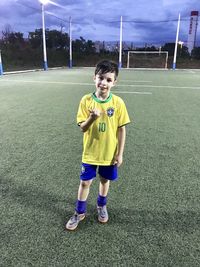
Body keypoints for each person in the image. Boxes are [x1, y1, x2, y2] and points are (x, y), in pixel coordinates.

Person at [66, 60, 130, 231]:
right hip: (90, 153)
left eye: (109, 80)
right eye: (101, 78)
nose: (104, 83)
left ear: (114, 82)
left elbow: (121, 130)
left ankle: (101, 205)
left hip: (109, 154)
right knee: (85, 182)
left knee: (104, 180)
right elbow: (83, 128)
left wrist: (120, 154)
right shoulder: (86, 100)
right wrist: (92, 118)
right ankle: (79, 212)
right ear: (94, 78)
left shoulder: (118, 103)